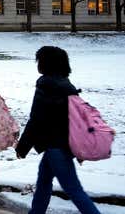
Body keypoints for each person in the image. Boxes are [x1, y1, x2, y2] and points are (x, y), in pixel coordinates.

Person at [16, 46, 100, 214]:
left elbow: (36, 120)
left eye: (39, 60)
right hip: (61, 145)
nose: (37, 64)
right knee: (43, 184)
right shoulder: (66, 84)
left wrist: (22, 147)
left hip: (56, 148)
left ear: (46, 63)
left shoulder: (46, 85)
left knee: (74, 190)